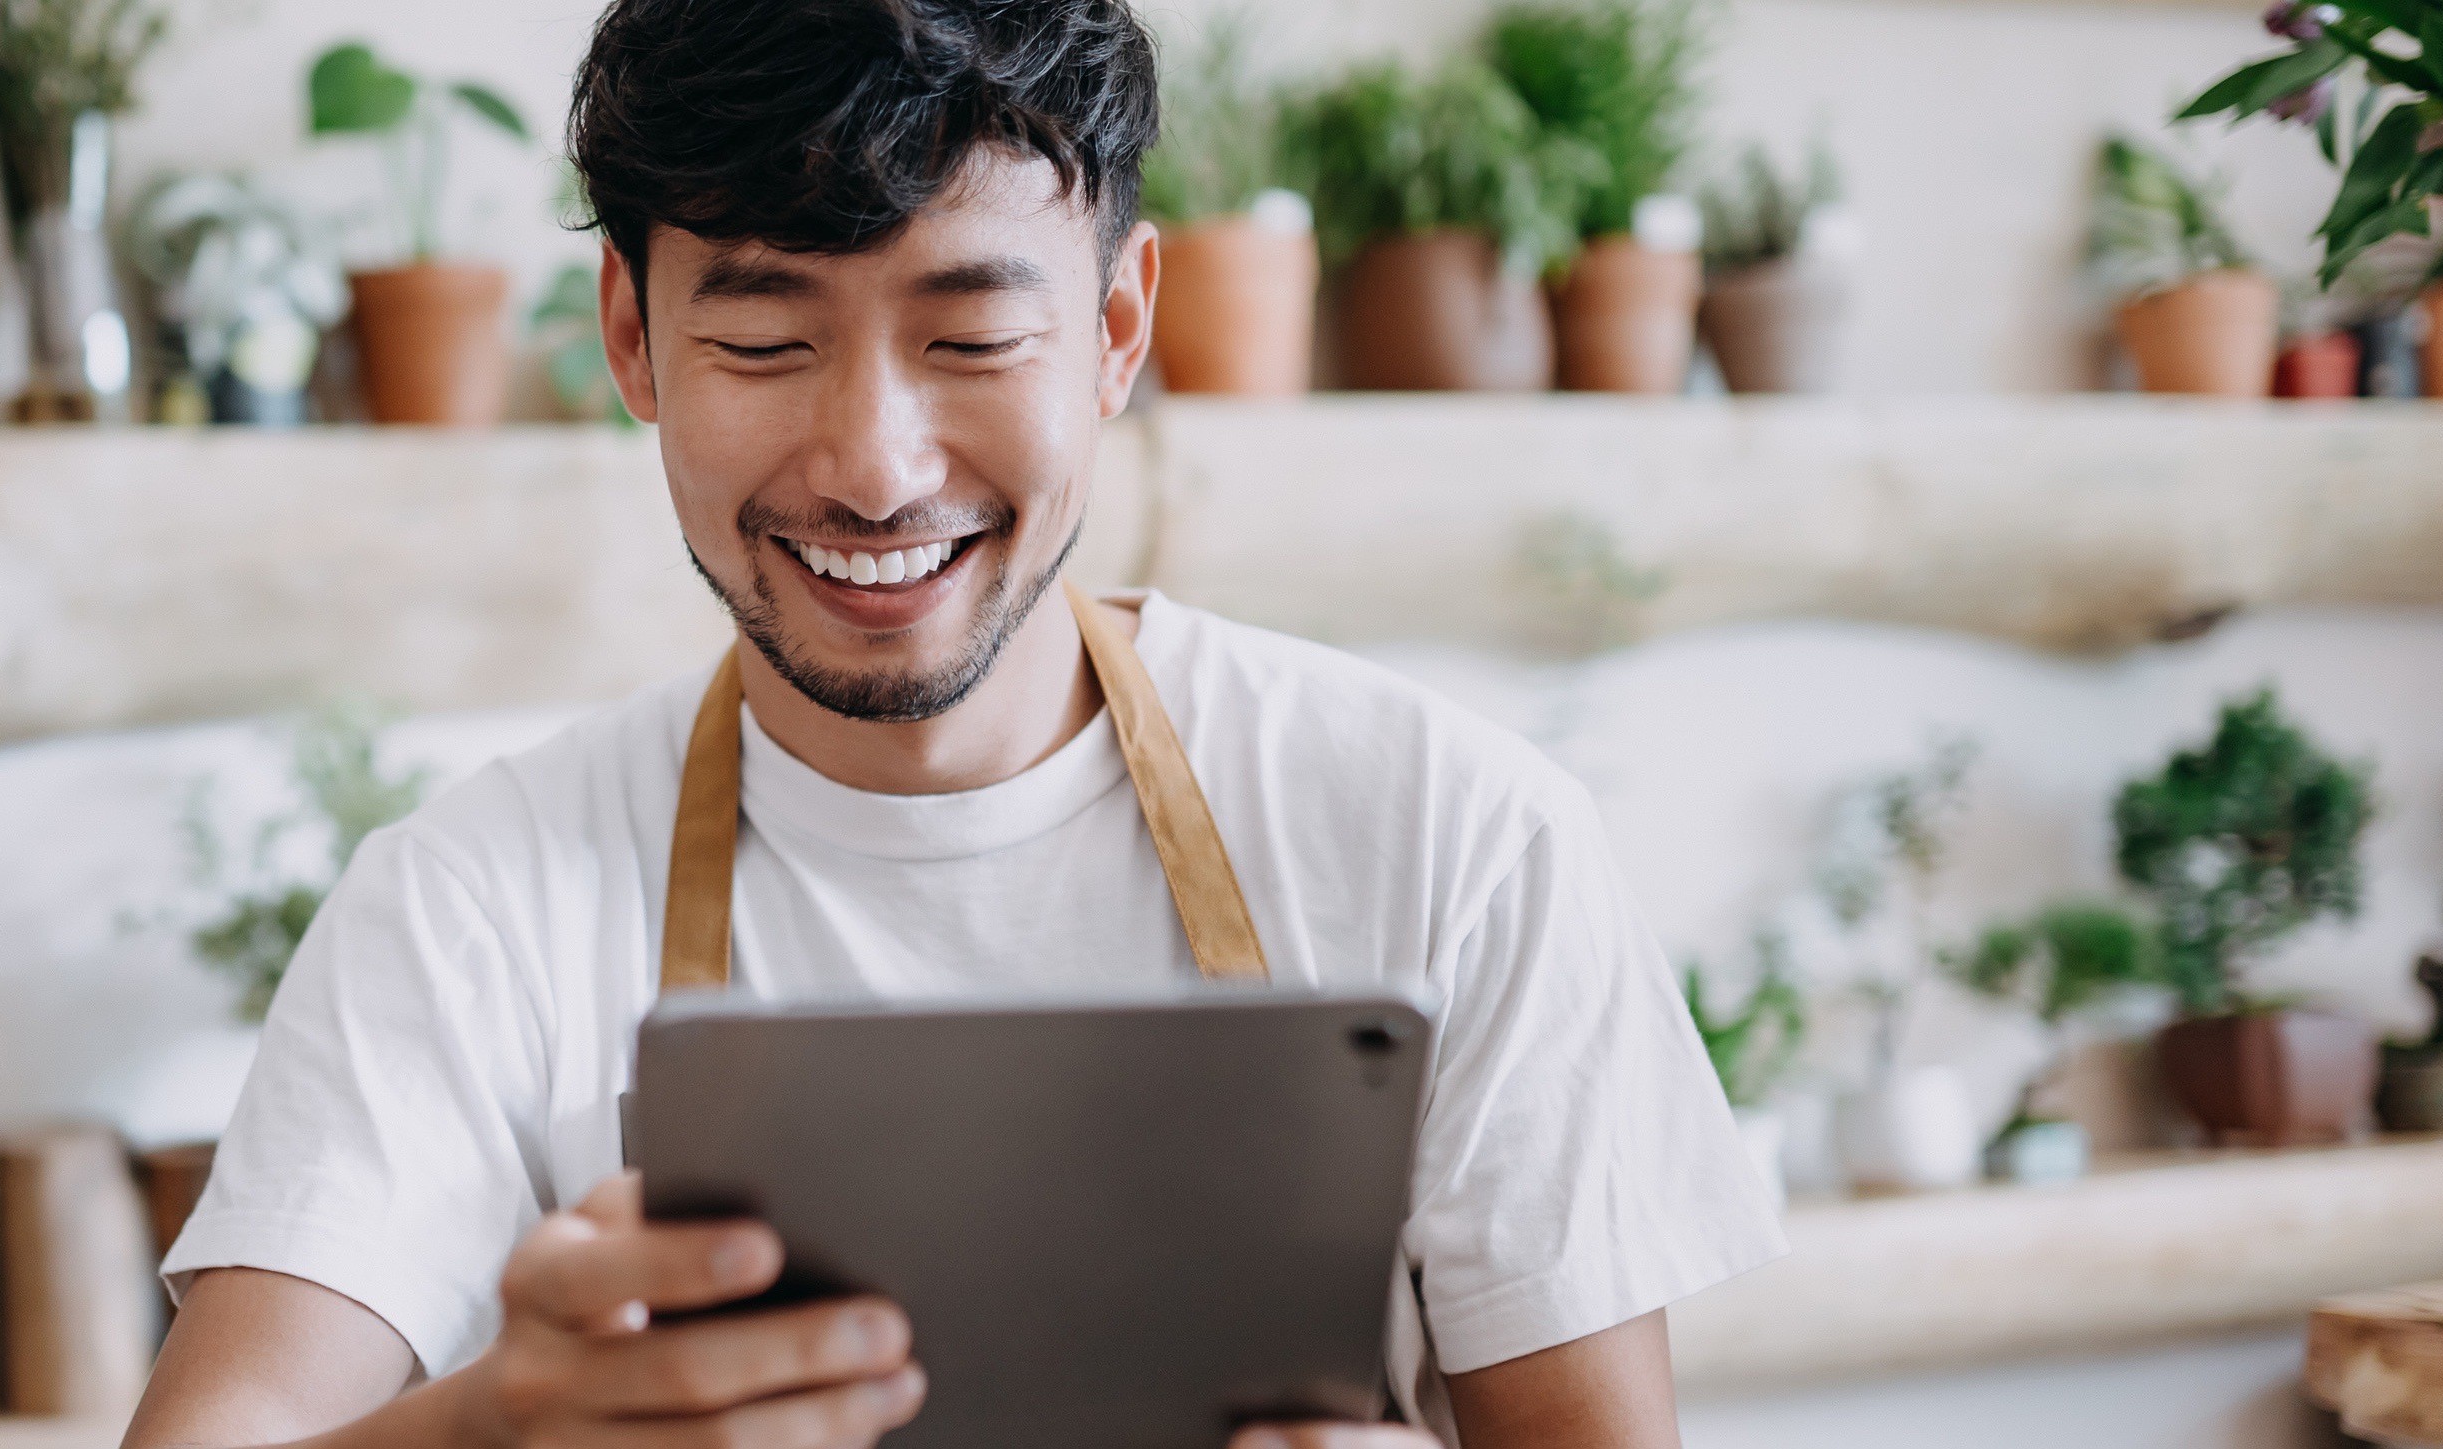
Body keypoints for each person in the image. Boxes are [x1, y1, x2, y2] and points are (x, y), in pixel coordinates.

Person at [120, 0, 1785, 1444]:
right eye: (764, 339)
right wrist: (496, 1430)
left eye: (974, 336)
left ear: (1118, 327)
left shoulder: (1456, 837)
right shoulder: (469, 911)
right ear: (632, 338)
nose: (874, 465)